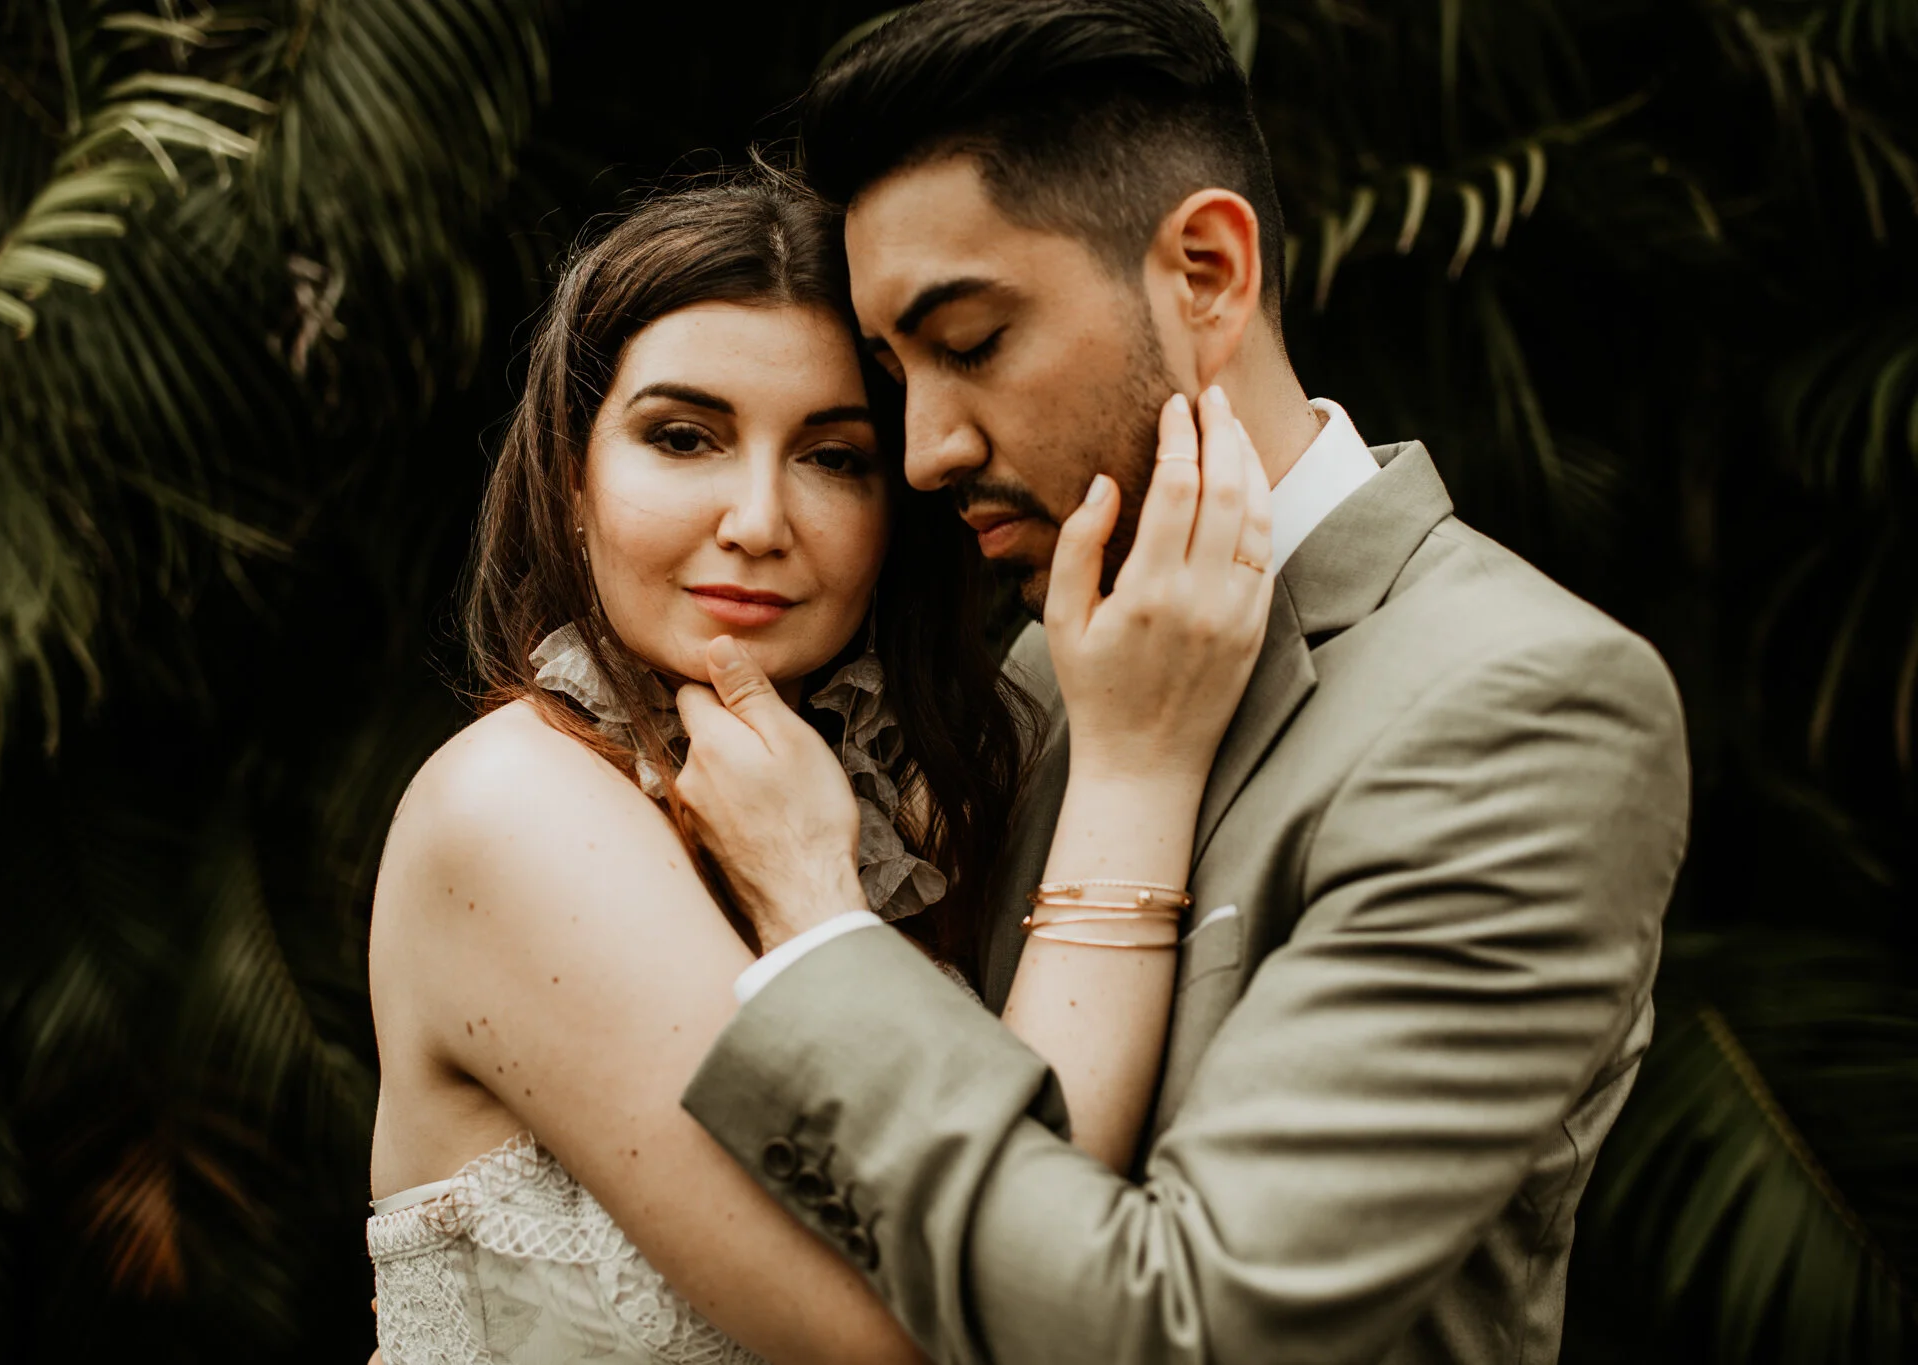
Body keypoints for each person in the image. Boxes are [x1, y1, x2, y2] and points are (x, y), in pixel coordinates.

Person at [668, 3, 1694, 1364]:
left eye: (968, 342)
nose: (924, 450)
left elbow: (1183, 1329)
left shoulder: (1524, 708)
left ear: (1206, 273)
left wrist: (814, 922)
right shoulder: (1046, 666)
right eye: (896, 373)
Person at [362, 167, 1273, 1364]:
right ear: (571, 478)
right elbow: (958, 1320)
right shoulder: (515, 812)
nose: (756, 521)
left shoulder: (914, 810)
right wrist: (1134, 769)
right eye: (681, 438)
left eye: (834, 458)